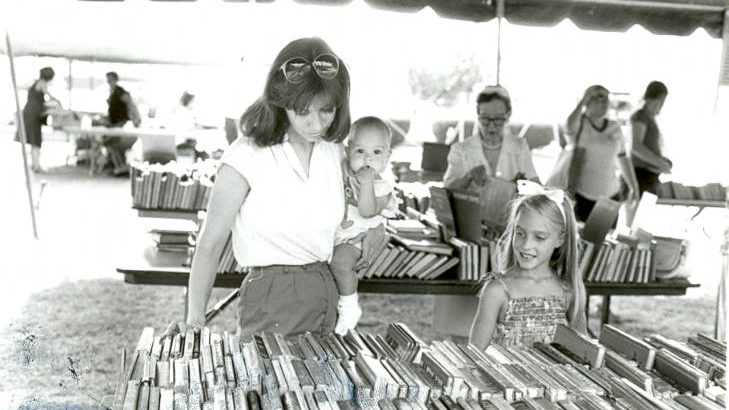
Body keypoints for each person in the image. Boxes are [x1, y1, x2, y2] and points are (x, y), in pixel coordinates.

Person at [163, 37, 387, 339]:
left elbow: (359, 205)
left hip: (326, 290)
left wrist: (375, 230)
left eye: (326, 110)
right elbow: (210, 244)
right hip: (271, 296)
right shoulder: (246, 154)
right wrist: (194, 321)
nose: (315, 123)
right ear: (281, 102)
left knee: (323, 385)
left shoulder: (334, 152)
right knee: (272, 384)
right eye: (302, 111)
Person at [469, 180, 587, 348]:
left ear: (560, 239)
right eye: (520, 233)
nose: (526, 245)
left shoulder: (568, 291)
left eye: (539, 237)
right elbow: (473, 356)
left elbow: (584, 354)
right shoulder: (497, 291)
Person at [330, 116, 397, 335]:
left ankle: (350, 307)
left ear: (387, 157)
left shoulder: (381, 187)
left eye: (377, 152)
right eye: (360, 151)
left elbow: (367, 210)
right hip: (339, 235)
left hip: (358, 239)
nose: (368, 158)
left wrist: (366, 184)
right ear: (348, 152)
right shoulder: (346, 174)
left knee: (341, 263)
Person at [564, 85, 639, 222]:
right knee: (581, 240)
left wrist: (633, 186)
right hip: (583, 195)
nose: (604, 102)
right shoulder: (580, 125)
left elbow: (622, 157)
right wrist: (584, 100)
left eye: (606, 98)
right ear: (588, 100)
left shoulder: (614, 127)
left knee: (605, 239)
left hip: (610, 196)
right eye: (598, 97)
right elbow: (568, 126)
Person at [443, 85, 538, 191]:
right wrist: (468, 177)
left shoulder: (519, 147)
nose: (491, 126)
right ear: (478, 116)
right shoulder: (460, 150)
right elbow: (446, 191)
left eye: (498, 119)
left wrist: (524, 186)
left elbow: (536, 185)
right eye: (485, 119)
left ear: (507, 117)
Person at [631, 81, 672, 196]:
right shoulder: (641, 116)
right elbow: (635, 145)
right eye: (661, 101)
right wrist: (659, 162)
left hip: (650, 175)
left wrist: (663, 161)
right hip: (640, 174)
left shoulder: (650, 117)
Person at [18, 67, 62, 172]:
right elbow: (49, 96)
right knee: (35, 140)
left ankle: (35, 164)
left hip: (30, 112)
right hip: (33, 114)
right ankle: (36, 165)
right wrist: (58, 102)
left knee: (34, 140)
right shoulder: (42, 83)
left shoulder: (36, 83)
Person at [104, 71, 142, 175]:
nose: (109, 82)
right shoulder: (112, 93)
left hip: (122, 123)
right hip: (115, 123)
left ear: (115, 80)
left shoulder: (120, 92)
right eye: (108, 79)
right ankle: (119, 166)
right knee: (109, 142)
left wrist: (133, 118)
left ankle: (120, 166)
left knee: (112, 142)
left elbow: (130, 103)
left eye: (111, 79)